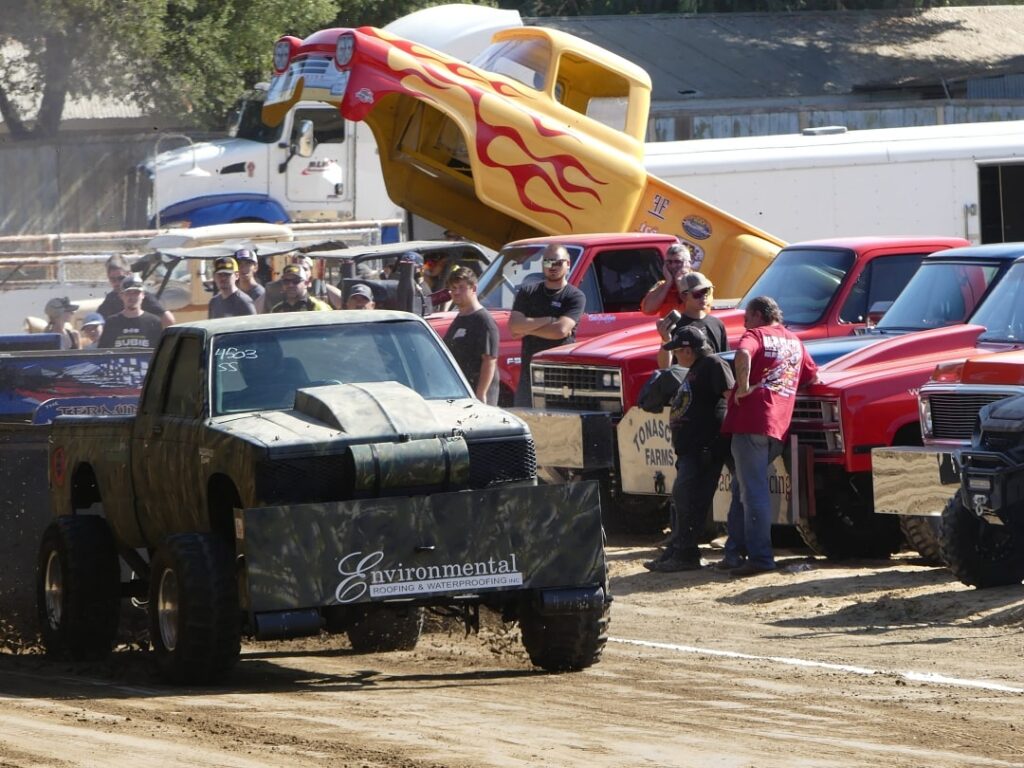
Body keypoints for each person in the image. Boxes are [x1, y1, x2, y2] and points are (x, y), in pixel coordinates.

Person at [720, 296, 819, 577]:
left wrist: (742, 386)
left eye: (746, 319)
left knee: (753, 491)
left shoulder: (756, 335)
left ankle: (761, 558)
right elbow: (812, 376)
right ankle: (734, 551)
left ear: (757, 315)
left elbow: (743, 354)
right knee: (742, 487)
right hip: (778, 427)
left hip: (751, 421)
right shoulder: (795, 341)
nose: (744, 325)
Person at [643, 325, 735, 572]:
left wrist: (715, 442)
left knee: (691, 498)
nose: (675, 356)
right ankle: (679, 548)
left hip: (703, 447)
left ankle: (686, 553)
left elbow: (731, 398)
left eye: (676, 351)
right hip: (691, 447)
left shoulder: (713, 364)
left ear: (687, 350)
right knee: (683, 498)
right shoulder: (696, 368)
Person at [508, 243, 586, 406]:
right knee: (525, 417)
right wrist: (549, 320)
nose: (552, 266)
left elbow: (560, 331)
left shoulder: (575, 296)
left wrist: (528, 329)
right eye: (548, 262)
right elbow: (514, 326)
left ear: (568, 264)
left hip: (560, 377)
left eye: (557, 262)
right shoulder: (528, 292)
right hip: (529, 376)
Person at [443, 266, 499, 405]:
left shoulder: (483, 321)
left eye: (461, 287)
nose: (456, 292)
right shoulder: (460, 318)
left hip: (477, 396)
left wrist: (481, 394)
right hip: (461, 393)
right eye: (453, 288)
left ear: (473, 288)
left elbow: (489, 360)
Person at [654, 271, 727, 370]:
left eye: (706, 291)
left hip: (713, 379)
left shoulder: (717, 324)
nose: (703, 296)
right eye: (697, 294)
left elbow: (724, 360)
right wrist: (665, 340)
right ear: (684, 296)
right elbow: (665, 367)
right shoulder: (675, 326)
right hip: (685, 379)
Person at [97, 254, 175, 328]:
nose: (117, 283)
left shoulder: (142, 297)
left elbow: (169, 320)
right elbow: (97, 322)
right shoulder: (111, 299)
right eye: (113, 279)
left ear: (129, 275)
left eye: (121, 278)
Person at [98, 275, 164, 349]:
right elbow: (103, 351)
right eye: (128, 292)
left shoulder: (154, 322)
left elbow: (160, 351)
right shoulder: (111, 322)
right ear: (121, 295)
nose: (132, 297)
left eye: (136, 292)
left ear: (143, 295)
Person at [640, 243, 693, 316]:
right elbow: (647, 310)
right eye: (669, 262)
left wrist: (679, 281)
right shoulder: (661, 286)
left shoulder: (698, 282)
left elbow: (695, 307)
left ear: (688, 263)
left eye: (678, 262)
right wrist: (668, 284)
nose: (673, 266)